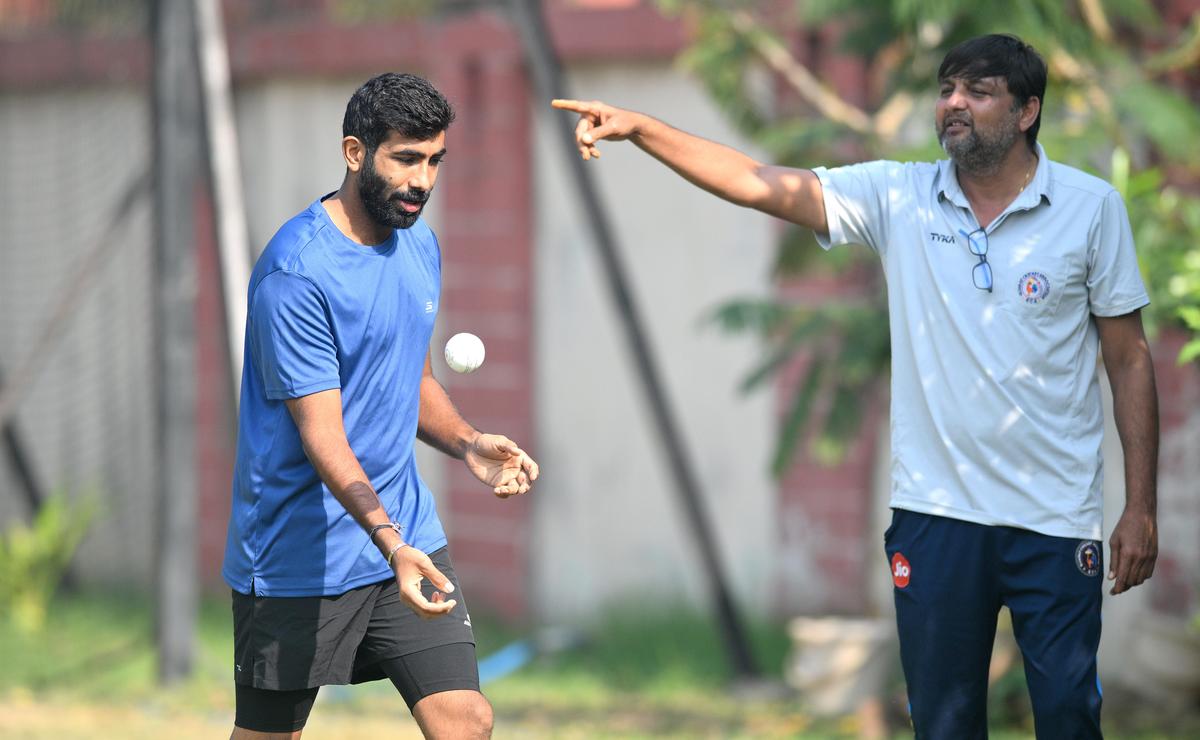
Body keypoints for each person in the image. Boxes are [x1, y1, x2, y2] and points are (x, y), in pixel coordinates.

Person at [553, 33, 1158, 739]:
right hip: (937, 515)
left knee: (1067, 718)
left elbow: (1129, 359)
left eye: (978, 91)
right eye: (946, 89)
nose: (954, 103)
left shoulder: (1091, 210)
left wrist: (1140, 505)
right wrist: (643, 128)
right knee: (943, 723)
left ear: (1027, 112)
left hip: (1055, 519)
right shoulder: (899, 196)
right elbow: (758, 181)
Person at [223, 72, 538, 739]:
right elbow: (323, 436)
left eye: (434, 162)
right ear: (355, 153)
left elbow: (408, 379)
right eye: (405, 158)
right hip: (298, 554)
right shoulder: (296, 275)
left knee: (465, 719)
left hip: (406, 535)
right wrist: (389, 541)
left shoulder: (417, 242)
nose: (422, 180)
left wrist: (467, 443)